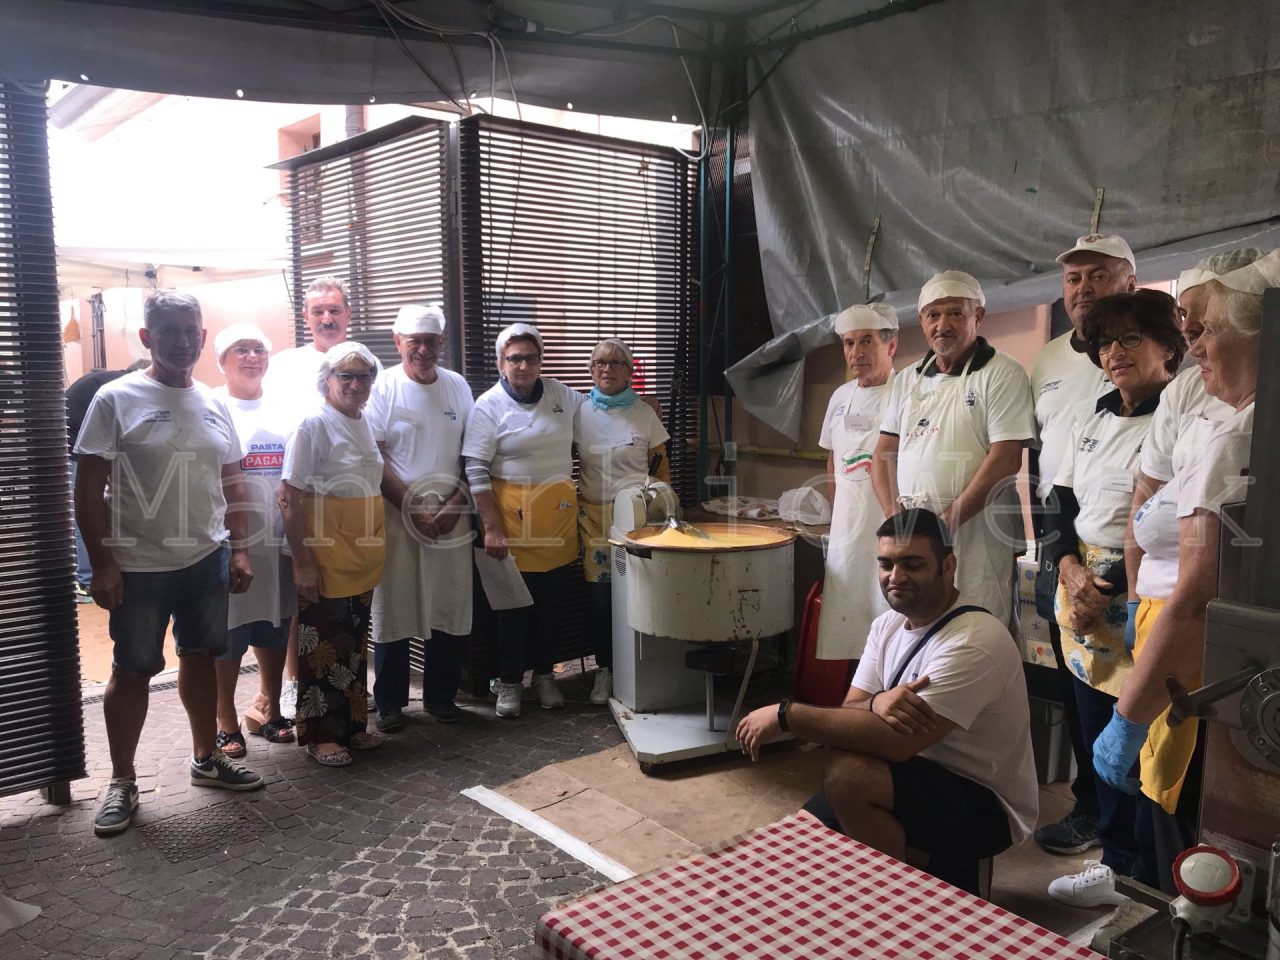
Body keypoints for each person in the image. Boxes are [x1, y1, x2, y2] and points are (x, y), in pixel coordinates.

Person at [1094, 249, 1278, 893]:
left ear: (1264, 329)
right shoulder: (1224, 411)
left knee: (1194, 834)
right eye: (1186, 327)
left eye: (1203, 329)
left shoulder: (1243, 434)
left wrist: (1129, 715)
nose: (1191, 345)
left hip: (1206, 662)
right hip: (1178, 636)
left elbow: (1199, 597)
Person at [736, 509, 1038, 895]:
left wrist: (786, 715)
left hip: (984, 803)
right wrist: (877, 703)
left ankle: (905, 896)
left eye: (912, 564)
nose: (895, 577)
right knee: (803, 847)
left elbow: (897, 741)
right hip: (910, 773)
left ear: (948, 567)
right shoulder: (888, 625)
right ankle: (902, 867)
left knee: (848, 775)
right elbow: (851, 713)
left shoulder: (975, 640)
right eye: (886, 564)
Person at [75, 290, 263, 837]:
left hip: (206, 558)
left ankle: (207, 759)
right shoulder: (116, 398)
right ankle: (123, 781)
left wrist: (241, 546)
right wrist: (103, 564)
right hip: (138, 564)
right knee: (132, 670)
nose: (182, 340)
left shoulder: (213, 401)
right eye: (169, 331)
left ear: (202, 337)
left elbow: (233, 480)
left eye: (190, 331)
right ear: (147, 338)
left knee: (202, 657)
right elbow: (88, 487)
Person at [1039, 291, 1182, 905]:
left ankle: (1148, 886)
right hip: (1078, 605)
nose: (1114, 353)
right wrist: (1068, 569)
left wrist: (1105, 591)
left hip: (1139, 601)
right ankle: (1115, 867)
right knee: (1097, 748)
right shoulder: (1092, 415)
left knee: (1146, 755)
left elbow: (1169, 526)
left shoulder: (1177, 415)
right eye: (1104, 343)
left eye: (1129, 339)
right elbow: (1057, 505)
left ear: (1168, 346)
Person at [1029, 234, 1137, 857]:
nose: (1082, 288)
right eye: (1073, 278)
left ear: (1129, 282)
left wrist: (1107, 577)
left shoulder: (1145, 372)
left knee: (1129, 693)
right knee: (1076, 682)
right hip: (1060, 540)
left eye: (1098, 275)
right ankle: (1090, 810)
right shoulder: (1047, 361)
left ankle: (1130, 841)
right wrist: (1058, 558)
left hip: (1126, 561)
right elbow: (1042, 463)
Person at [871, 271, 1035, 627]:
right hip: (916, 538)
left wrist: (944, 525)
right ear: (921, 321)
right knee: (913, 631)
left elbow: (1006, 460)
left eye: (955, 313)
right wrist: (896, 520)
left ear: (977, 317)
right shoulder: (907, 379)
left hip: (979, 536)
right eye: (933, 315)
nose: (942, 324)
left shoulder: (1002, 373)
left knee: (975, 628)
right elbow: (882, 454)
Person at [462, 322, 583, 718]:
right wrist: (491, 528)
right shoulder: (489, 405)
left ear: (540, 360)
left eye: (531, 357)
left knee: (551, 606)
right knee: (512, 610)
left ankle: (545, 678)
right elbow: (476, 468)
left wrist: (636, 404)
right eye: (515, 358)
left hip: (557, 522)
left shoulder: (561, 394)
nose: (524, 365)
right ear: (501, 363)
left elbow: (598, 409)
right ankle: (510, 683)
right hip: (510, 525)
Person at [368, 304, 474, 730]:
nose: (424, 350)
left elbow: (474, 451)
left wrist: (456, 502)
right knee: (393, 604)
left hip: (451, 513)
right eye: (415, 342)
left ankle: (442, 697)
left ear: (442, 343)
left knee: (448, 603)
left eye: (431, 342)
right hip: (396, 513)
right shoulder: (383, 388)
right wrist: (411, 505)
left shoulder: (458, 387)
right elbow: (373, 456)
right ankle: (390, 703)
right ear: (398, 343)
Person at [281, 341, 387, 766]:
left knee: (355, 646)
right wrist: (303, 563)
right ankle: (321, 734)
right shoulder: (313, 424)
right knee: (322, 646)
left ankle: (353, 726)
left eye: (364, 376)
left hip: (360, 556)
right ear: (327, 381)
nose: (356, 384)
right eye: (346, 376)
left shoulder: (362, 420)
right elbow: (288, 498)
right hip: (325, 555)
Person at [210, 322, 297, 758]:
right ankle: (225, 719)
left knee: (274, 627)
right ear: (222, 361)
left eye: (258, 348)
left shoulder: (284, 409)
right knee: (229, 633)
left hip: (276, 540)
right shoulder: (210, 405)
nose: (250, 357)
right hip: (229, 540)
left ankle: (269, 706)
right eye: (239, 349)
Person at [573, 337, 670, 704]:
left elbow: (662, 469)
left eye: (615, 363)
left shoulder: (645, 412)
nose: (606, 369)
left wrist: (665, 518)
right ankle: (606, 672)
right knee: (601, 601)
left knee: (640, 594)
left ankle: (640, 668)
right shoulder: (578, 413)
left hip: (640, 520)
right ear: (591, 370)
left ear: (630, 371)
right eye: (599, 363)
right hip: (594, 520)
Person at [815, 303, 899, 661]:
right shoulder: (839, 398)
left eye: (866, 341)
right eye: (849, 343)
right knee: (849, 628)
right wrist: (837, 516)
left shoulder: (907, 393)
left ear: (891, 345)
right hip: (848, 530)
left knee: (892, 622)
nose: (855, 353)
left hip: (890, 526)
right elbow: (833, 457)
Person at [65, 360, 148, 602]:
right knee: (89, 507)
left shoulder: (107, 380)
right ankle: (86, 579)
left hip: (66, 437)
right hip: (69, 444)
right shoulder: (119, 388)